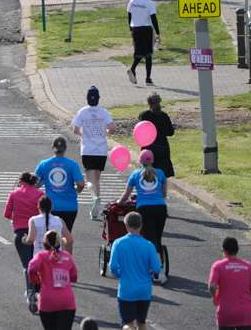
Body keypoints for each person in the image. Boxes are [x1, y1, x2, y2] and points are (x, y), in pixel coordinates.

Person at [118, 150, 168, 283]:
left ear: (140, 161)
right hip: (160, 208)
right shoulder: (161, 173)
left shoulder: (135, 174)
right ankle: (157, 262)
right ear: (152, 160)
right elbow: (164, 194)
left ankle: (158, 270)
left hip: (144, 208)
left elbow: (126, 194)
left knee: (150, 238)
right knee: (157, 237)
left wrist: (119, 203)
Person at [109, 212, 162, 330]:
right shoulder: (149, 245)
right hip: (144, 290)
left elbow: (112, 266)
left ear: (126, 225)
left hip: (126, 289)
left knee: (128, 323)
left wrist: (119, 275)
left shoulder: (118, 243)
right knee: (141, 323)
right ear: (141, 225)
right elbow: (157, 268)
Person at [72, 85, 114, 220]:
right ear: (98, 99)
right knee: (96, 178)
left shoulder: (83, 112)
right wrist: (105, 132)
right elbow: (112, 128)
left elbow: (75, 130)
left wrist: (83, 133)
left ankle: (95, 198)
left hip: (88, 149)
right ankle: (95, 208)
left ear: (87, 98)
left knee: (90, 179)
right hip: (101, 150)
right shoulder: (103, 112)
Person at [27, 230, 78, 330]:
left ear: (44, 243)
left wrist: (35, 279)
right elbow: (74, 277)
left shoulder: (41, 256)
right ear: (59, 243)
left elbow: (32, 268)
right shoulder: (67, 256)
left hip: (47, 301)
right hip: (67, 302)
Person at [4, 172, 44, 299]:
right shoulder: (40, 194)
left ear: (21, 182)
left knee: (27, 265)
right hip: (38, 232)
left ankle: (31, 292)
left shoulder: (14, 194)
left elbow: (7, 214)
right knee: (40, 262)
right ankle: (39, 289)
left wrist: (15, 218)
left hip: (21, 232)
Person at [209, 237, 251, 330]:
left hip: (226, 312)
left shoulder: (218, 265)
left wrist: (215, 297)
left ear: (224, 250)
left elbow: (212, 287)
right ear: (237, 250)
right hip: (245, 313)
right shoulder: (248, 266)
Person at [34, 136, 85, 229]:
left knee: (51, 237)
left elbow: (34, 184)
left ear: (53, 147)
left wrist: (44, 181)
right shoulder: (72, 164)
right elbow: (81, 184)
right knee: (66, 235)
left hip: (50, 207)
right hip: (70, 206)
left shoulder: (43, 164)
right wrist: (77, 191)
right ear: (65, 148)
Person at [127, 0, 161, 86]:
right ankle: (147, 78)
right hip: (146, 30)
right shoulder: (150, 3)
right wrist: (158, 33)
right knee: (148, 54)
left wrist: (131, 30)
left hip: (135, 29)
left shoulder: (132, 0)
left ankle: (134, 71)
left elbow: (129, 15)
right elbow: (153, 19)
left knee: (138, 52)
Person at [138, 93, 176, 179]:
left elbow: (140, 130)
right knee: (162, 174)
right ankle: (161, 191)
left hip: (149, 147)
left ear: (149, 104)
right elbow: (170, 132)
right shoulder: (164, 116)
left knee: (148, 173)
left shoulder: (144, 115)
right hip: (162, 147)